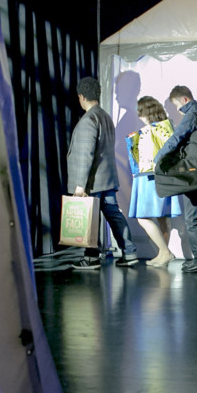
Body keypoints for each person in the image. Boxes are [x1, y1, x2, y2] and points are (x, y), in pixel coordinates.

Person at [67, 76, 138, 269]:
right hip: (107, 178)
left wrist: (80, 185)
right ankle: (129, 252)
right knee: (113, 214)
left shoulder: (89, 120)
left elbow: (85, 154)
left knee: (90, 218)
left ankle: (91, 257)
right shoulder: (105, 116)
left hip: (93, 181)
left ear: (81, 96)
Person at [155, 85, 197, 273]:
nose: (178, 111)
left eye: (177, 106)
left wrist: (158, 158)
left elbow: (176, 138)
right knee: (196, 217)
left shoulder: (192, 115)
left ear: (184, 100)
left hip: (195, 175)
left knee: (192, 219)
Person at [126, 96, 181, 267]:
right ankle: (162, 253)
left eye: (140, 113)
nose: (139, 116)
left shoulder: (154, 129)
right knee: (162, 217)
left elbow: (160, 155)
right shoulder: (164, 128)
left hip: (150, 177)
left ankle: (164, 252)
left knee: (143, 217)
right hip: (157, 176)